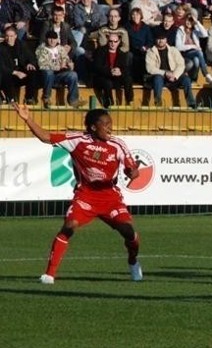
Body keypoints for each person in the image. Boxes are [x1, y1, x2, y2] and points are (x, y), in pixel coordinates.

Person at [13, 104, 143, 284]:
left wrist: (132, 173)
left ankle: (133, 261)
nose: (110, 127)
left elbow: (133, 171)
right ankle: (49, 275)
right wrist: (27, 118)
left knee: (129, 232)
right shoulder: (77, 140)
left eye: (110, 123)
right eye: (105, 124)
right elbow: (46, 137)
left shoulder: (117, 144)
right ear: (93, 127)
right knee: (69, 225)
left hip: (110, 197)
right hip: (86, 195)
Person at [145, 33, 197, 108]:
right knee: (157, 78)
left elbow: (181, 64)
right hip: (160, 75)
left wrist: (175, 75)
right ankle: (158, 104)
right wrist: (165, 73)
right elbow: (150, 68)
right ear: (156, 40)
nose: (161, 41)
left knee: (186, 79)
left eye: (163, 39)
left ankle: (191, 103)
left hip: (173, 74)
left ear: (166, 40)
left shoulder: (173, 50)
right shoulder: (151, 52)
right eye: (159, 39)